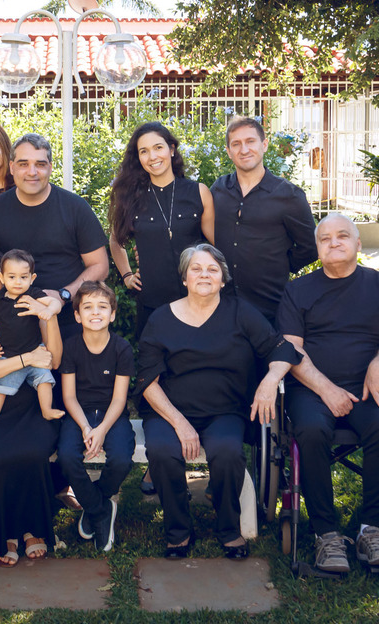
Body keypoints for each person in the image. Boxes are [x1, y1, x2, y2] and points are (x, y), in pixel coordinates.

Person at [139, 244, 298, 560]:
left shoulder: (240, 312)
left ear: (223, 279)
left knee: (227, 453)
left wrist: (269, 382)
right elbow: (147, 383)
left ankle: (229, 528)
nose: (204, 275)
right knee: (162, 452)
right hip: (169, 411)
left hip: (224, 410)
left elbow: (281, 350)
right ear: (184, 277)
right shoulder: (160, 319)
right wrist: (180, 423)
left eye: (212, 269)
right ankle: (178, 531)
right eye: (196, 268)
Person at [276, 212, 379, 574]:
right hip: (312, 390)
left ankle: (373, 528)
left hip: (368, 387)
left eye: (342, 236)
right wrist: (326, 389)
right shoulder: (297, 289)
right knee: (312, 432)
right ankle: (326, 533)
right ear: (317, 247)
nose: (333, 243)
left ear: (357, 243)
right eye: (325, 239)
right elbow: (292, 350)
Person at [0, 247, 65, 566]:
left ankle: (32, 529)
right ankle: (5, 532)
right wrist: (25, 359)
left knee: (32, 453)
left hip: (34, 401)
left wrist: (51, 313)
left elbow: (54, 358)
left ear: (3, 272)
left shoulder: (32, 302)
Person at [0, 133, 109, 339]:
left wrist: (63, 295)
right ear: (11, 167)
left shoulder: (75, 208)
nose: (32, 172)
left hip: (68, 321)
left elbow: (100, 266)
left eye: (40, 164)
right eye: (23, 164)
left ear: (51, 167)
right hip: (12, 325)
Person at [109, 121, 215, 338]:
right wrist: (127, 275)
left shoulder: (199, 192)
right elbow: (114, 241)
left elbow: (217, 245)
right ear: (138, 158)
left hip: (198, 302)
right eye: (144, 151)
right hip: (152, 306)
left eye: (158, 147)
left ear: (171, 149)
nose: (153, 157)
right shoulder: (130, 199)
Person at [211, 116, 317, 324]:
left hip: (269, 306)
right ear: (228, 151)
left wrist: (281, 265)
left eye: (250, 141)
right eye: (236, 144)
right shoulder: (219, 189)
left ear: (264, 144)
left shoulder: (289, 195)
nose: (244, 149)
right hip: (222, 305)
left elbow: (311, 246)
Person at [57, 281, 136, 553]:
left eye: (102, 307)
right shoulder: (71, 347)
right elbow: (68, 397)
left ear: (112, 314)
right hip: (78, 413)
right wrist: (85, 427)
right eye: (87, 307)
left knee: (123, 457)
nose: (95, 312)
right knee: (67, 456)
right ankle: (101, 510)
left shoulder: (121, 348)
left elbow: (119, 399)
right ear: (77, 316)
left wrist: (100, 430)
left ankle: (94, 502)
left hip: (112, 415)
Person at [0, 250, 63, 422]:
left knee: (44, 380)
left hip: (35, 351)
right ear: (2, 277)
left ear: (32, 278)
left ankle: (47, 410)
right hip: (9, 356)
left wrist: (48, 310)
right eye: (12, 277)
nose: (18, 282)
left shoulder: (33, 294)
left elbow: (55, 302)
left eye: (23, 277)